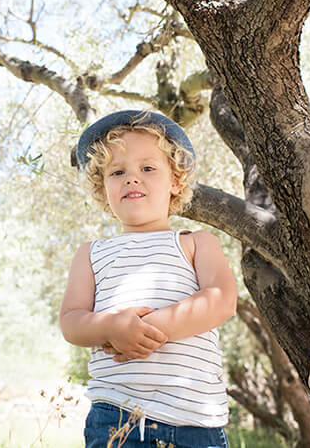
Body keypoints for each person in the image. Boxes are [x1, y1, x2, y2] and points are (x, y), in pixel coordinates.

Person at [60, 109, 236, 447]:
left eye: (148, 168)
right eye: (117, 172)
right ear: (103, 188)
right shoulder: (91, 253)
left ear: (175, 182)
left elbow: (222, 299)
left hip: (195, 422)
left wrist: (143, 330)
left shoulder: (196, 242)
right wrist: (111, 329)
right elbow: (71, 321)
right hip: (115, 418)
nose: (132, 178)